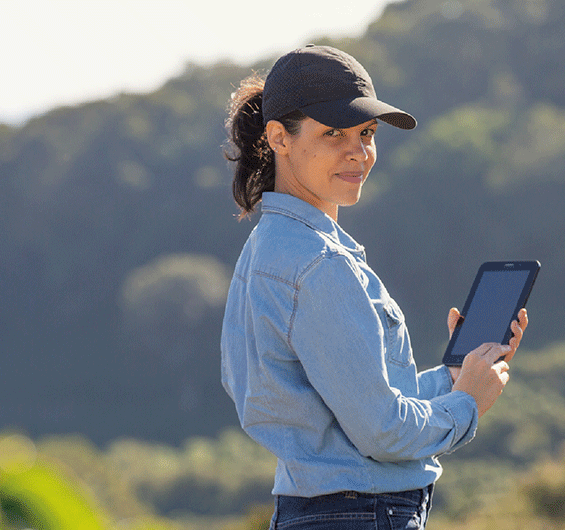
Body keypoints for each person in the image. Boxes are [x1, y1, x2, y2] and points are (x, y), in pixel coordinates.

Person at [220, 44, 528, 530]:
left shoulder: (267, 249)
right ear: (278, 137)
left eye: (366, 134)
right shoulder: (319, 263)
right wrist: (465, 404)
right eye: (332, 134)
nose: (357, 152)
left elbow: (352, 408)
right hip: (361, 514)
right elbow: (382, 432)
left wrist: (455, 375)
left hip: (315, 511)